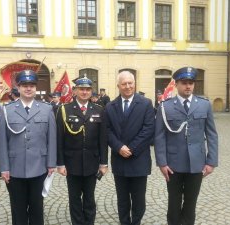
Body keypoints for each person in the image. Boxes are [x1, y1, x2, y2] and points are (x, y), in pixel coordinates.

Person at [154, 67, 218, 225]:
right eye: (184, 83)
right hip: (173, 164)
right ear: (176, 84)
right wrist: (162, 163)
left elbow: (212, 134)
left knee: (190, 204)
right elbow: (159, 136)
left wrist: (211, 162)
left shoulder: (204, 105)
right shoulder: (165, 106)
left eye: (191, 83)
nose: (188, 86)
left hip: (197, 164)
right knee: (174, 204)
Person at [0, 70, 57, 225]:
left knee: (37, 208)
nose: (28, 88)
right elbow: (2, 141)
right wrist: (4, 167)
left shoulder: (46, 109)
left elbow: (52, 138)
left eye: (31, 85)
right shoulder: (7, 109)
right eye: (25, 85)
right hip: (14, 169)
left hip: (39, 167)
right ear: (18, 87)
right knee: (18, 208)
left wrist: (51, 163)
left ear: (35, 87)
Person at [56, 75, 108, 225]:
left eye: (87, 89)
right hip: (71, 163)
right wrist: (60, 163)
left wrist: (103, 163)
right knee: (74, 199)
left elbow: (102, 140)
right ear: (75, 90)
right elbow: (59, 139)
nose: (84, 92)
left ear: (91, 91)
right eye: (81, 89)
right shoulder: (64, 110)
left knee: (90, 198)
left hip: (92, 162)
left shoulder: (99, 109)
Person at [105, 71, 155, 225]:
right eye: (124, 84)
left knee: (139, 199)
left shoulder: (146, 103)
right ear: (118, 85)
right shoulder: (110, 106)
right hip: (119, 159)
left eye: (130, 83)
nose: (128, 86)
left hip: (139, 159)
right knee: (122, 199)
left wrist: (131, 149)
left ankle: (136, 222)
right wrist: (119, 147)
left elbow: (148, 130)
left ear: (134, 83)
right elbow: (107, 131)